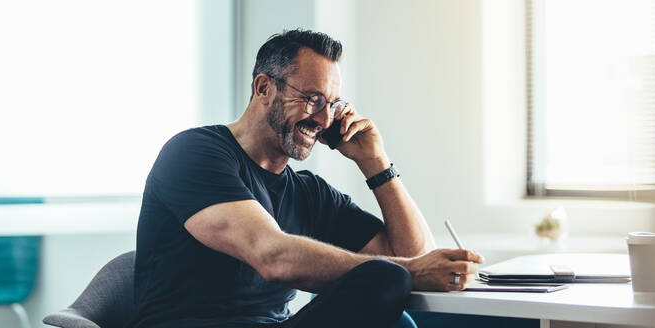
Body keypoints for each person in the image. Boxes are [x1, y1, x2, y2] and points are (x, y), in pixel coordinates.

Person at [130, 29, 484, 328]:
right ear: (264, 88)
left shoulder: (310, 193)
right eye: (313, 99)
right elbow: (272, 255)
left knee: (387, 283)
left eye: (333, 104)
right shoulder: (194, 152)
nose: (325, 119)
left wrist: (377, 165)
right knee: (387, 276)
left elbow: (414, 256)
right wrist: (409, 271)